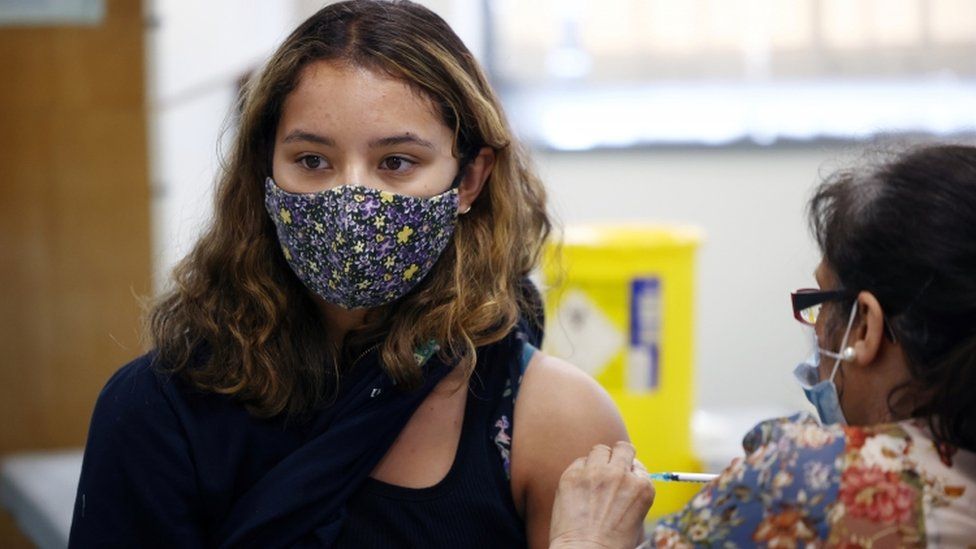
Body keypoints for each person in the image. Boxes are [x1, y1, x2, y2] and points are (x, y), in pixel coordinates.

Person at [68, 1, 629, 547]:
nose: (351, 200)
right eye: (312, 160)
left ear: (469, 180)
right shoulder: (159, 410)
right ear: (265, 169)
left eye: (396, 162)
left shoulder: (553, 421)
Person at [549, 144, 976, 547]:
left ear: (865, 327)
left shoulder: (804, 482)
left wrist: (585, 537)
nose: (816, 329)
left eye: (820, 301)